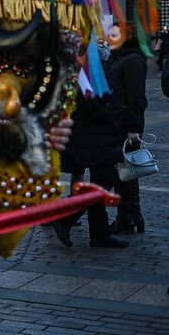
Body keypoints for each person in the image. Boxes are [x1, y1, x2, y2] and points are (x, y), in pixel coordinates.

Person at [52, 34, 130, 248]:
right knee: (103, 181)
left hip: (98, 132)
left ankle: (99, 233)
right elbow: (86, 101)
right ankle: (64, 216)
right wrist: (106, 112)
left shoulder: (91, 62)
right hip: (93, 133)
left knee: (98, 182)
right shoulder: (79, 66)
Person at [107, 26, 148, 235]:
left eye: (114, 35)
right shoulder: (118, 57)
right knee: (122, 172)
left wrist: (133, 127)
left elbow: (137, 97)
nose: (109, 38)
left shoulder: (132, 60)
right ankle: (131, 215)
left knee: (128, 172)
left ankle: (129, 216)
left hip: (125, 125)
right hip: (116, 122)